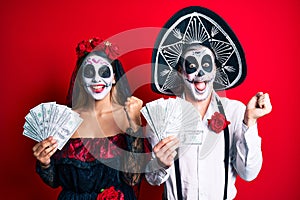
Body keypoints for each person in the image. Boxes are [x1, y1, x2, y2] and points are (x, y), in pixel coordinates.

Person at [145, 6, 272, 200]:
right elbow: (153, 180)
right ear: (180, 71)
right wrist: (160, 164)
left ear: (215, 70)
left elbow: (249, 173)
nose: (200, 74)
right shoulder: (161, 116)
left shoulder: (236, 111)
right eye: (191, 66)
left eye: (206, 65)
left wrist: (250, 122)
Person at [32, 37, 144, 200]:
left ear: (113, 78)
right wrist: (45, 163)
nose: (96, 79)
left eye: (104, 72)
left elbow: (133, 179)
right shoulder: (64, 119)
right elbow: (55, 181)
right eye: (89, 72)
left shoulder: (128, 116)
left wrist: (135, 125)